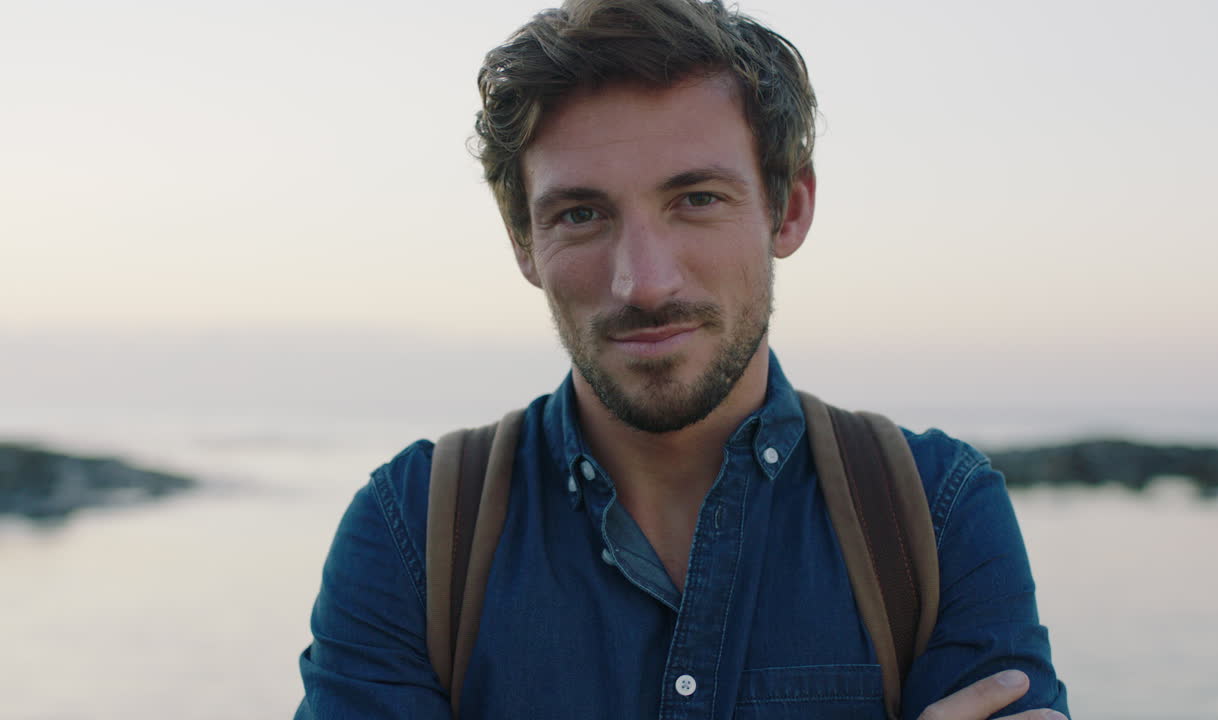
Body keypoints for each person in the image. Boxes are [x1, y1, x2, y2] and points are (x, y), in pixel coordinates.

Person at [295, 1, 1070, 718]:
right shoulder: (416, 530)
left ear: (788, 209)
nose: (644, 282)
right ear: (525, 243)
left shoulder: (933, 514)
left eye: (696, 199)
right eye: (581, 213)